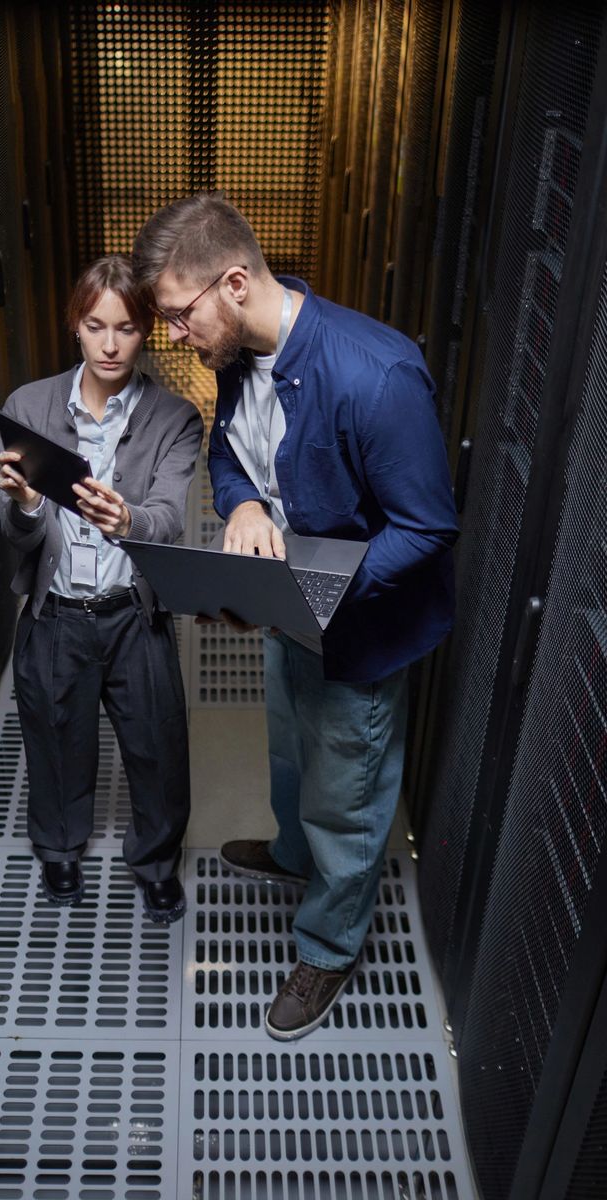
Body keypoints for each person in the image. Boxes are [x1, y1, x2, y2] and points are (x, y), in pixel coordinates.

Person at [133, 194, 458, 1037]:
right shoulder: (237, 357)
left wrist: (313, 593)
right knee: (288, 750)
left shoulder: (375, 375)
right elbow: (231, 455)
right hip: (290, 618)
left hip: (358, 636)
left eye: (177, 314)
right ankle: (289, 857)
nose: (172, 335)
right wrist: (241, 510)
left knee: (347, 799)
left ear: (233, 283)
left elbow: (427, 529)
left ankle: (328, 944)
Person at [0, 254, 203, 923]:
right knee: (54, 737)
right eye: (96, 326)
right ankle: (59, 851)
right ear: (76, 328)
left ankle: (156, 865)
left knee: (158, 748)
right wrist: (27, 503)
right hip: (56, 613)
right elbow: (18, 537)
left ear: (146, 332)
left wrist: (130, 519)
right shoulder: (28, 407)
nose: (111, 344)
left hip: (132, 615)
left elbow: (170, 517)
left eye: (126, 328)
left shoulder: (176, 418)